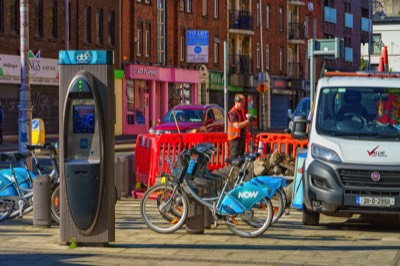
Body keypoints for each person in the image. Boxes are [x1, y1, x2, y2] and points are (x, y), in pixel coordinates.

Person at [227, 94, 250, 159]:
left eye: (244, 102)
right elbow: (237, 125)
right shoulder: (232, 113)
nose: (243, 104)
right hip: (235, 140)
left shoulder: (242, 111)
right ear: (237, 101)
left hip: (241, 139)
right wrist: (248, 121)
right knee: (234, 158)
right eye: (242, 102)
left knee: (241, 158)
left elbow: (244, 122)